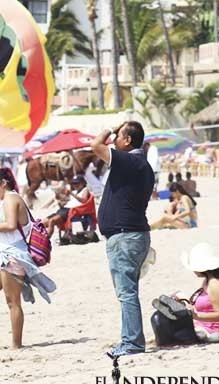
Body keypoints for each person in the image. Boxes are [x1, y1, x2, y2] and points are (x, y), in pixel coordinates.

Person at [0, 168, 56, 349]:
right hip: (3, 254)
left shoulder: (11, 198)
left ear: (3, 183)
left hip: (14, 256)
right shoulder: (7, 200)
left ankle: (16, 344)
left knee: (12, 301)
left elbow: (10, 225)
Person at [90, 122, 155, 358]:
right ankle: (131, 339)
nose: (114, 140)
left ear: (127, 141)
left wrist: (109, 128)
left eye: (118, 137)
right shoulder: (139, 164)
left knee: (126, 292)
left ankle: (132, 343)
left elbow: (95, 145)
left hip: (126, 235)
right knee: (129, 291)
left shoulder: (131, 161)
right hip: (132, 233)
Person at [180, 243, 219, 342]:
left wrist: (195, 316)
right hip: (214, 325)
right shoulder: (211, 280)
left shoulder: (215, 284)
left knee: (172, 331)